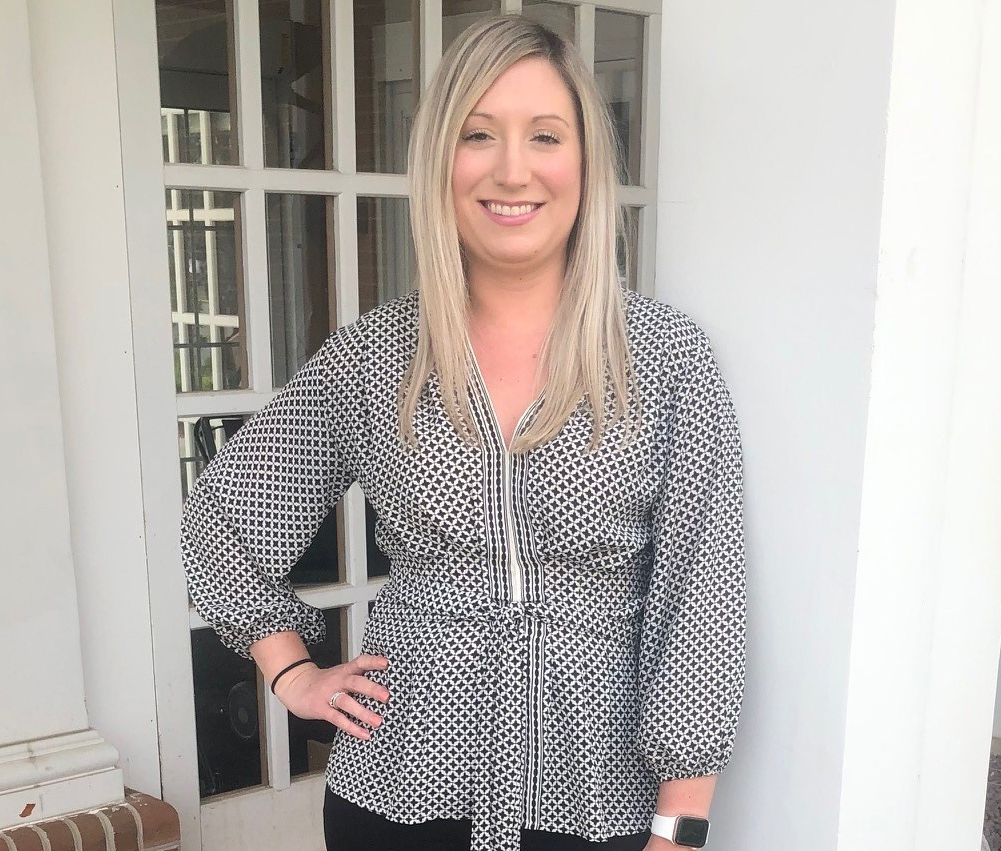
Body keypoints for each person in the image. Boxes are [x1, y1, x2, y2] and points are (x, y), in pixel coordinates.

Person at [179, 15, 746, 851]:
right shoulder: (377, 357)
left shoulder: (663, 359)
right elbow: (222, 520)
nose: (513, 169)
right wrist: (292, 670)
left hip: (596, 804)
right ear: (441, 161)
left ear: (585, 162)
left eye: (545, 135)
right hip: (400, 793)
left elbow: (703, 597)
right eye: (479, 135)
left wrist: (681, 825)